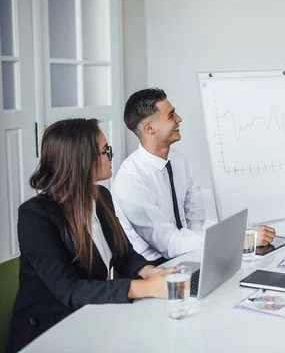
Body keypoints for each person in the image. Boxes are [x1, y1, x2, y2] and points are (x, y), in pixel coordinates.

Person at [6, 119, 168, 353]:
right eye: (106, 151)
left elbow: (123, 254)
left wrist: (150, 272)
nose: (112, 155)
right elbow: (69, 290)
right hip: (50, 333)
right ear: (82, 161)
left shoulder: (100, 196)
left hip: (94, 317)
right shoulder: (35, 216)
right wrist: (146, 288)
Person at [112, 88, 276, 265]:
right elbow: (169, 243)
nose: (179, 119)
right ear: (149, 128)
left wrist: (200, 244)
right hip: (154, 267)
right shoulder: (130, 181)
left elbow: (195, 211)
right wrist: (237, 241)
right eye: (171, 115)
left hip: (186, 254)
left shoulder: (177, 159)